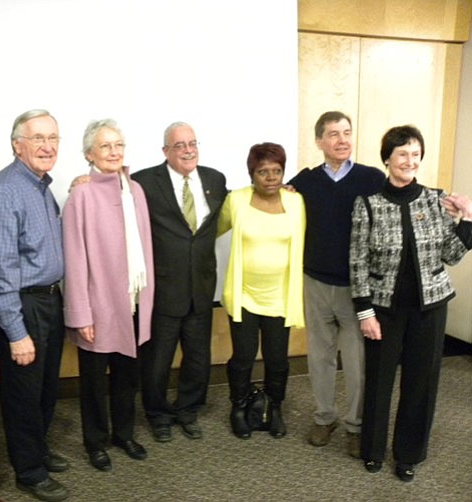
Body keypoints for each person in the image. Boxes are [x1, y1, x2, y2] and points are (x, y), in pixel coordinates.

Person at [350, 125, 472, 482]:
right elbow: (357, 262)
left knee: (422, 383)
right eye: (402, 153)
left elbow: (450, 255)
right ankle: (372, 450)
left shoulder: (436, 200)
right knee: (379, 382)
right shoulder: (367, 205)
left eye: (416, 154)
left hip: (430, 309)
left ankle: (409, 455)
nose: (410, 161)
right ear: (387, 158)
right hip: (384, 311)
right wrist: (365, 312)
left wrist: (466, 219)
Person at [0, 110, 68, 502]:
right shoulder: (4, 190)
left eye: (53, 137)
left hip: (50, 301)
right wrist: (15, 332)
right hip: (24, 306)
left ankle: (38, 452)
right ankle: (29, 472)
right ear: (18, 145)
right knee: (22, 395)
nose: (47, 146)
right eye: (38, 139)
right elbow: (0, 269)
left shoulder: (41, 186)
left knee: (46, 389)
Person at [288, 111, 385, 457]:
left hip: (356, 290)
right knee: (320, 357)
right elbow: (276, 197)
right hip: (314, 282)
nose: (342, 140)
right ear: (319, 142)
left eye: (347, 132)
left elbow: (404, 197)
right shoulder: (306, 180)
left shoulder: (371, 178)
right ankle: (324, 417)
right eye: (333, 134)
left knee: (357, 362)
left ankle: (355, 425)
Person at [63, 119, 154, 471]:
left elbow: (145, 246)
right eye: (105, 146)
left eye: (118, 145)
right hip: (98, 305)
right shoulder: (80, 195)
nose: (114, 152)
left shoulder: (137, 191)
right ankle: (96, 441)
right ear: (89, 154)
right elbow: (75, 257)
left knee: (128, 374)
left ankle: (124, 434)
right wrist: (81, 313)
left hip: (132, 300)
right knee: (94, 381)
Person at [132, 122, 228, 441]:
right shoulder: (144, 182)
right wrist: (85, 179)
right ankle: (157, 414)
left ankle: (188, 410)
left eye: (192, 143)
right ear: (165, 151)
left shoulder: (215, 179)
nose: (188, 150)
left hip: (201, 288)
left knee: (198, 359)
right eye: (179, 145)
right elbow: (111, 189)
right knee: (157, 361)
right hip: (163, 289)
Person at [217, 142, 305, 440]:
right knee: (243, 356)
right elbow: (210, 230)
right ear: (251, 174)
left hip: (280, 297)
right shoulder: (237, 200)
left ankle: (274, 407)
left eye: (277, 171)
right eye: (263, 171)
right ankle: (239, 407)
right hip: (244, 296)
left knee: (277, 359)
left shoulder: (295, 202)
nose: (270, 177)